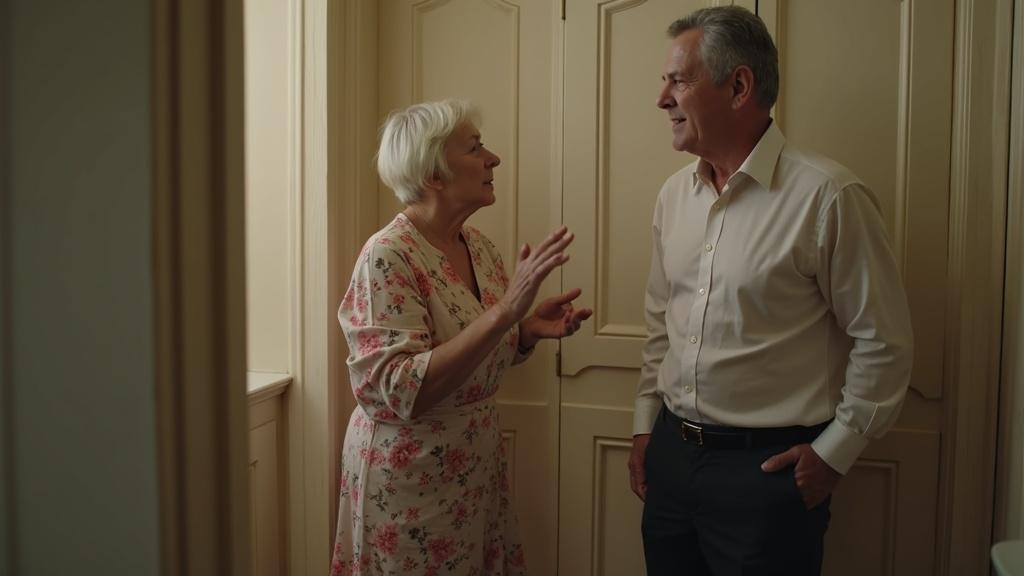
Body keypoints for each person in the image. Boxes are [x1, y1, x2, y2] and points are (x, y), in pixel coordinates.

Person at [627, 7, 914, 576]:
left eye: (678, 81)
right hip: (670, 459)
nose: (661, 99)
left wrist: (834, 455)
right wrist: (644, 425)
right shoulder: (673, 196)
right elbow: (662, 323)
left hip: (770, 473)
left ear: (739, 87)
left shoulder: (828, 197)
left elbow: (884, 341)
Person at [330, 99, 592, 576]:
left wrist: (525, 332)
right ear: (433, 174)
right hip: (409, 480)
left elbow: (476, 350)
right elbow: (398, 387)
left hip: (473, 467)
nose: (494, 159)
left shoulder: (480, 248)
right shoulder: (387, 256)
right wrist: (505, 313)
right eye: (475, 148)